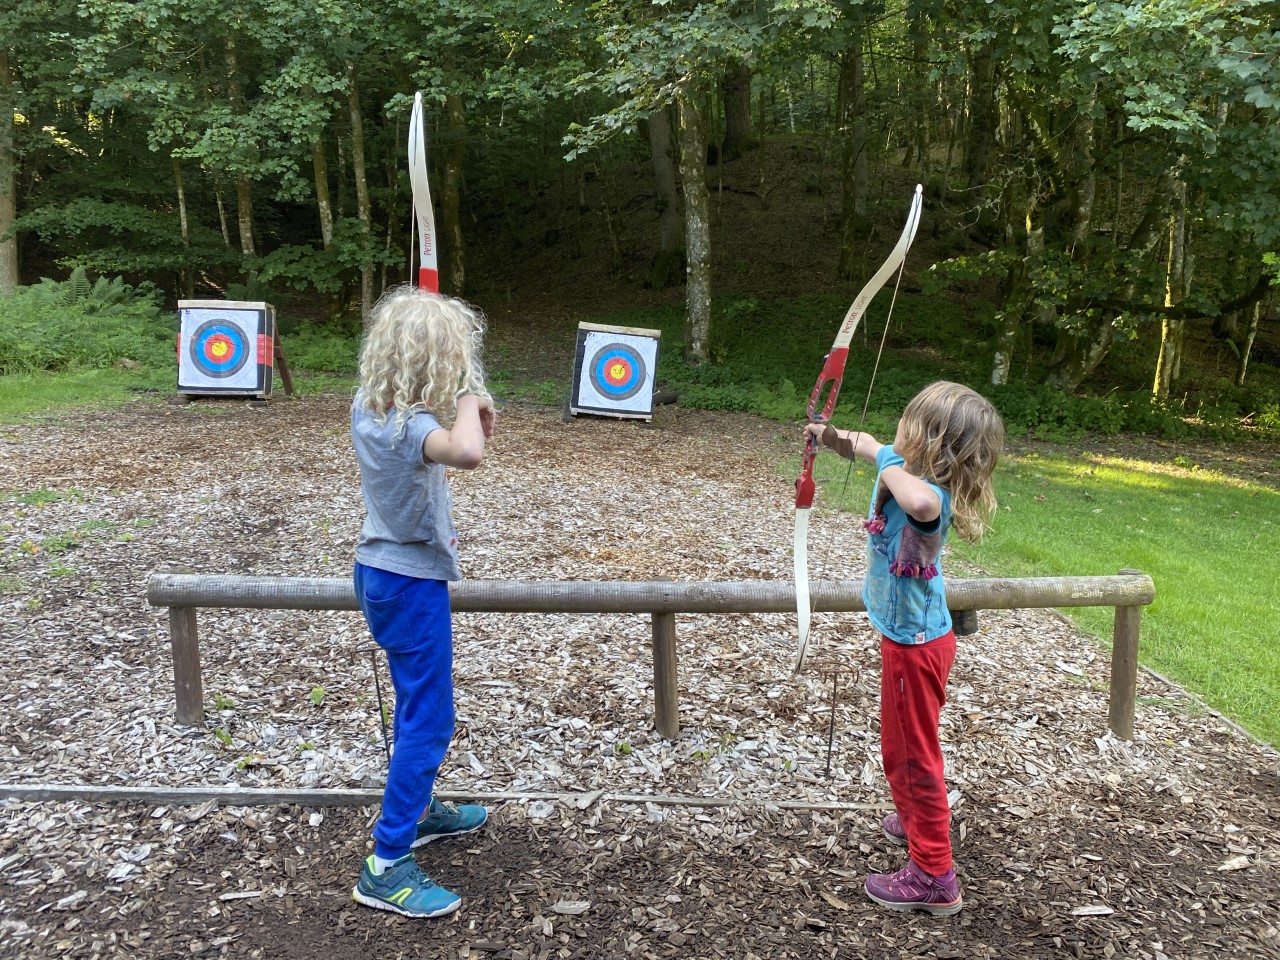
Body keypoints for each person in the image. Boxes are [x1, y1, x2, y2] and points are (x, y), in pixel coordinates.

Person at [804, 381, 1004, 916]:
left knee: (910, 757)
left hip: (915, 648)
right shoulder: (909, 475)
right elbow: (864, 447)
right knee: (907, 747)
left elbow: (910, 493)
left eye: (907, 423)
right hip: (919, 640)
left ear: (926, 439)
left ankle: (935, 875)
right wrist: (828, 436)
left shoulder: (929, 495)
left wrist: (879, 452)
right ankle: (918, 819)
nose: (896, 431)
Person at [348, 285, 496, 919]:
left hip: (379, 572)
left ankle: (421, 805)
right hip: (409, 584)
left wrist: (469, 403)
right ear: (433, 361)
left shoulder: (368, 407)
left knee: (416, 705)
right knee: (430, 719)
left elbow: (474, 436)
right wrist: (465, 390)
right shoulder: (414, 426)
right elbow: (469, 450)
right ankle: (386, 865)